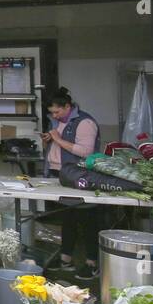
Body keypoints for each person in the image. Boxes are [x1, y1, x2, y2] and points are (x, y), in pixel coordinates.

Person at [42, 87, 102, 279]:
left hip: (79, 177)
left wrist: (58, 139)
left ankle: (92, 263)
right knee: (68, 218)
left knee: (87, 218)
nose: (54, 115)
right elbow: (59, 143)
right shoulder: (61, 121)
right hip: (61, 175)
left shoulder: (85, 122)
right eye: (51, 112)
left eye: (57, 111)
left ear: (68, 106)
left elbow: (86, 151)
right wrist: (49, 140)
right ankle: (65, 259)